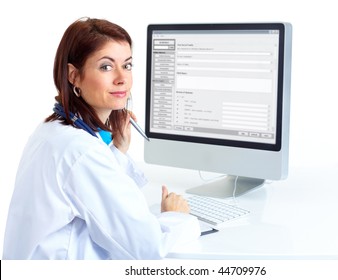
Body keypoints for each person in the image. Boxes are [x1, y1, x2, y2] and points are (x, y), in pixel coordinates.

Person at [2, 17, 200, 260]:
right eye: (106, 67)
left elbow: (85, 194)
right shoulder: (81, 151)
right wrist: (176, 216)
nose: (122, 78)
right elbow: (148, 250)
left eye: (127, 65)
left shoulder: (51, 129)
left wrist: (116, 151)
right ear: (73, 75)